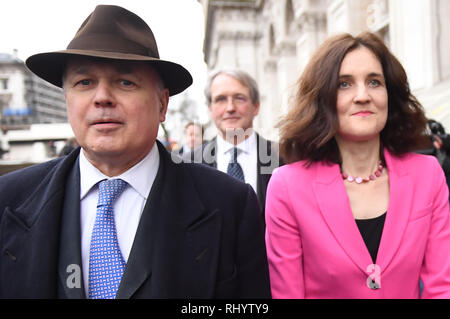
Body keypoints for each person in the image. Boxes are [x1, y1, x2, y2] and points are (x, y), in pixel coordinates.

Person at [0, 5, 270, 299]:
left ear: (162, 104)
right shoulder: (10, 200)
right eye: (84, 82)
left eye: (125, 82)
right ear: (67, 100)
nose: (102, 98)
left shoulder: (230, 204)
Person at [265, 32, 450, 298]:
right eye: (344, 84)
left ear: (389, 93)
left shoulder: (428, 174)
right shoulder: (287, 187)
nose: (363, 96)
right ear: (323, 98)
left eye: (374, 82)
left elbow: (442, 287)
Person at [191, 69, 282, 218]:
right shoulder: (189, 164)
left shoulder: (283, 157)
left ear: (256, 106)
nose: (230, 108)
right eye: (220, 99)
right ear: (210, 109)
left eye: (239, 98)